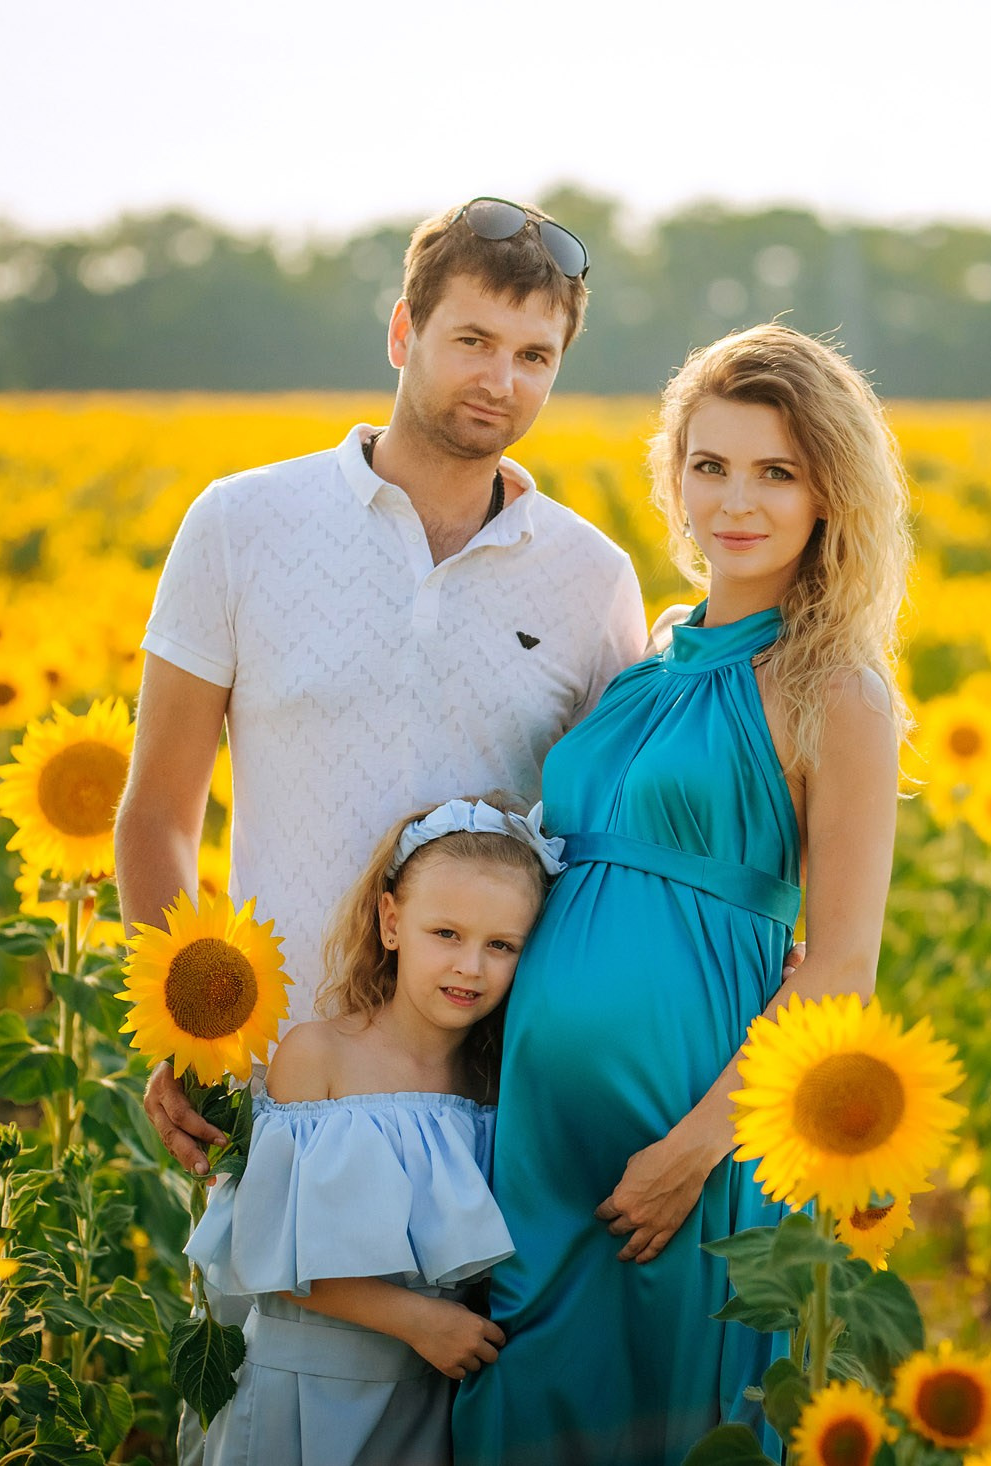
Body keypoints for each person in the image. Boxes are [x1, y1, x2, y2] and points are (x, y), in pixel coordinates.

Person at [448, 324, 911, 1464]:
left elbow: (844, 964)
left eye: (776, 471)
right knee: (519, 1410)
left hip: (691, 1135)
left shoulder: (836, 687)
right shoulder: (647, 657)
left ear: (826, 494)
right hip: (544, 1137)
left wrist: (698, 1144)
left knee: (666, 1421)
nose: (736, 501)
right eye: (709, 465)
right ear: (675, 474)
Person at [123, 196, 647, 1171]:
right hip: (275, 1094)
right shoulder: (241, 525)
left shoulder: (592, 577)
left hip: (495, 1114)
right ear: (403, 332)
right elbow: (156, 812)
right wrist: (180, 1027)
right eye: (473, 339)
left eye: (534, 356)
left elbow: (611, 851)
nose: (500, 380)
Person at [183, 795, 560, 1466]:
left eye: (501, 946)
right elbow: (266, 1252)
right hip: (303, 1396)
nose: (470, 967)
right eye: (445, 934)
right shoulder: (319, 1056)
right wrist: (420, 1322)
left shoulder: (496, 1085)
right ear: (391, 922)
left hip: (428, 1402)